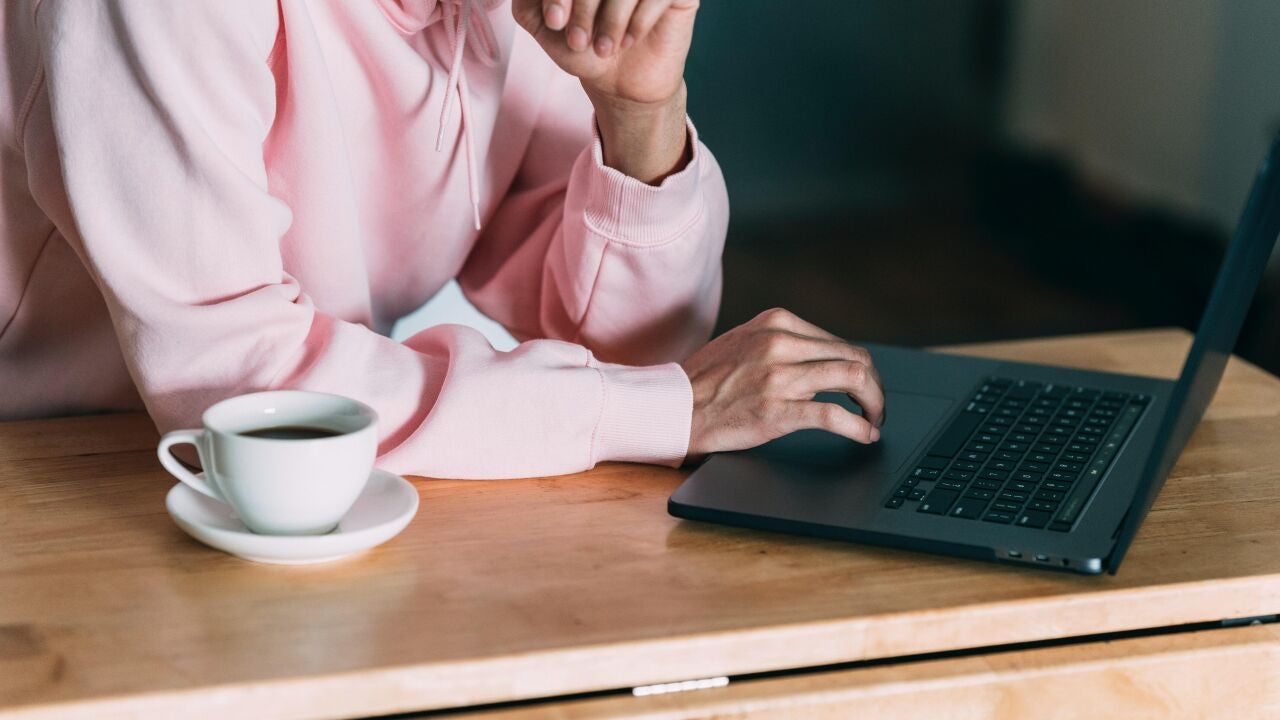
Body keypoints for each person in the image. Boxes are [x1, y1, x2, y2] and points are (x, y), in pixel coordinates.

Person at [0, 0, 884, 478]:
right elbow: (241, 386)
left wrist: (639, 110)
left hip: (278, 476)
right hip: (45, 465)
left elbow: (635, 351)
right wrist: (664, 408)